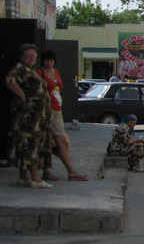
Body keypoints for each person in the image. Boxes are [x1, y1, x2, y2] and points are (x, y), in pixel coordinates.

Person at [4, 43, 54, 188]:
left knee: (24, 144)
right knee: (32, 144)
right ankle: (36, 178)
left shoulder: (28, 70)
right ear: (22, 57)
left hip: (35, 116)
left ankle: (24, 176)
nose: (31, 58)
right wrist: (22, 96)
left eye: (33, 56)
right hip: (29, 116)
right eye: (28, 56)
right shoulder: (20, 68)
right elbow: (9, 81)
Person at [37, 50, 88, 181]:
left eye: (51, 60)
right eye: (47, 60)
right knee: (48, 140)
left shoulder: (56, 72)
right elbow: (47, 86)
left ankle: (65, 171)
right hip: (46, 109)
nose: (49, 63)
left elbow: (59, 85)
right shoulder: (39, 72)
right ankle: (57, 170)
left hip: (57, 108)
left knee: (59, 140)